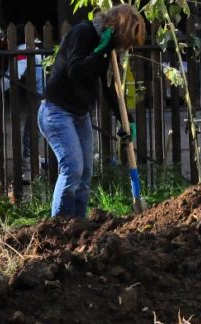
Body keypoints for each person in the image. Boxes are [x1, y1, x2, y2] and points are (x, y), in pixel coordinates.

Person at [39, 4, 145, 218]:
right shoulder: (83, 33)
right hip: (56, 111)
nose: (125, 49)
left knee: (86, 174)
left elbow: (108, 88)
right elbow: (75, 71)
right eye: (125, 43)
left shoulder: (107, 48)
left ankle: (78, 226)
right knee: (73, 168)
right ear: (117, 29)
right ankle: (59, 227)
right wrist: (100, 51)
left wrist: (126, 120)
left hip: (80, 115)